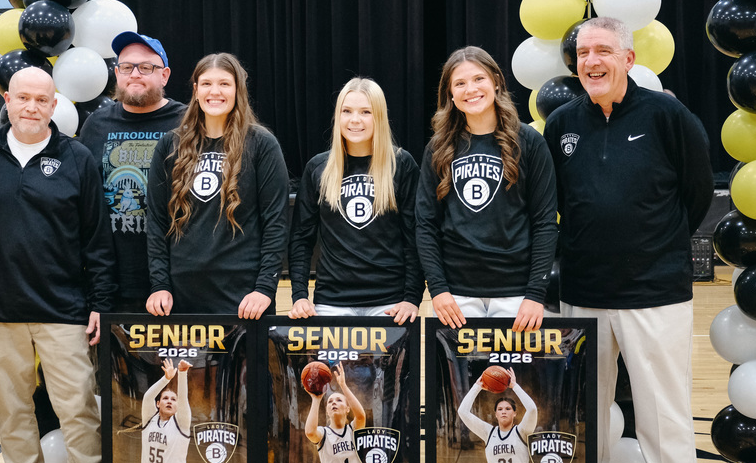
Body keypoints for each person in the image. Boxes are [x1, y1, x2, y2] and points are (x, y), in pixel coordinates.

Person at [544, 16, 712, 463]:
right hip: (584, 289)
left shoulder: (668, 115)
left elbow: (696, 194)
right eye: (583, 53)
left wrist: (654, 246)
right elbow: (558, 207)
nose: (591, 61)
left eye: (602, 51)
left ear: (628, 59)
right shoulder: (562, 123)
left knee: (663, 409)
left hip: (655, 292)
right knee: (585, 407)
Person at [0, 67, 118, 463]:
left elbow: (97, 237)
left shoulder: (75, 157)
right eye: (23, 98)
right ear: (6, 99)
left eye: (41, 100)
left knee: (77, 408)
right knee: (12, 409)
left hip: (63, 308)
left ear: (55, 105)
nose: (31, 107)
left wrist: (100, 301)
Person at [416, 46, 557, 332]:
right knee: (460, 380)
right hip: (456, 297)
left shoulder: (528, 142)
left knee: (513, 379)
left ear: (496, 81)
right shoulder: (439, 148)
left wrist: (535, 294)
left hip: (517, 295)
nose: (471, 89)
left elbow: (544, 223)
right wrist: (439, 290)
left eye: (478, 79)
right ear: (451, 95)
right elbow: (425, 225)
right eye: (460, 83)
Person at [145, 52, 289, 317]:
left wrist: (265, 288)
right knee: (190, 362)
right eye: (207, 84)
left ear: (237, 90)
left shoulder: (261, 144)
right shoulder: (170, 144)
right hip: (182, 293)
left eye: (224, 83)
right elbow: (155, 220)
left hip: (246, 296)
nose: (215, 91)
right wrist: (160, 285)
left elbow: (276, 222)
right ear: (196, 90)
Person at [287, 77, 422, 324]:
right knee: (331, 366)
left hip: (390, 303)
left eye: (365, 112)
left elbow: (414, 237)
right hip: (332, 302)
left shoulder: (401, 165)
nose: (355, 120)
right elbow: (301, 239)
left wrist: (412, 298)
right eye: (346, 111)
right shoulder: (318, 167)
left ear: (379, 117)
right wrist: (299, 296)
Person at [79, 32, 186, 311]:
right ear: (116, 73)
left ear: (164, 75)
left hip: (177, 279)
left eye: (146, 67)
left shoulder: (188, 122)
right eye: (126, 67)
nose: (134, 74)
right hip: (113, 281)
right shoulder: (96, 125)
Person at [457, 368, 544, 463]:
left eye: (508, 409)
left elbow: (532, 409)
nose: (504, 412)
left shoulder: (522, 431)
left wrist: (514, 386)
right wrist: (478, 385)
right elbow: (463, 412)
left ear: (514, 414)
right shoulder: (488, 433)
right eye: (500, 409)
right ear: (495, 414)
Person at [304, 364, 368, 463]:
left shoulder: (353, 430)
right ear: (327, 410)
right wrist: (316, 398)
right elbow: (310, 432)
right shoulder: (323, 433)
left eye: (339, 400)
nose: (333, 403)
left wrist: (343, 386)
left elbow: (361, 416)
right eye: (330, 401)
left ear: (347, 409)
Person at [138, 358, 193, 463]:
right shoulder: (149, 419)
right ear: (158, 404)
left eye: (173, 399)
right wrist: (166, 379)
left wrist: (182, 374)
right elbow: (148, 397)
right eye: (165, 398)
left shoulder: (181, 422)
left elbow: (183, 400)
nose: (169, 401)